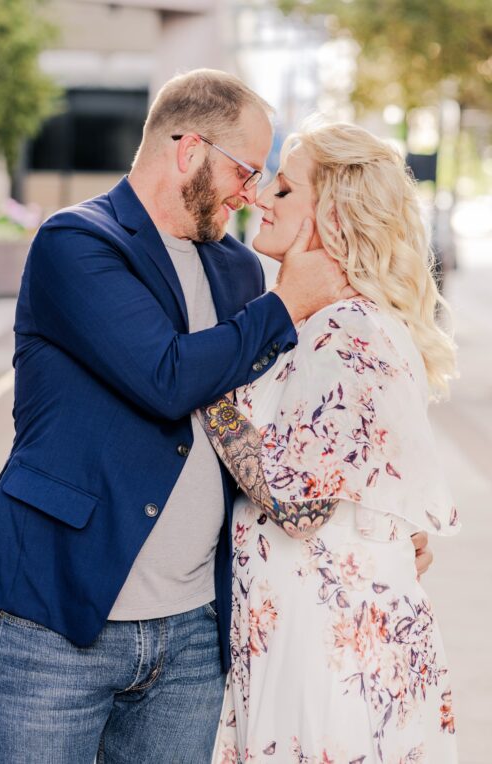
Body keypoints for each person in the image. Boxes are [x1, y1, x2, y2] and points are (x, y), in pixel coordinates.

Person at [0, 69, 432, 762]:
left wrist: (386, 517)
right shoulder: (76, 243)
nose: (252, 192)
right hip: (64, 611)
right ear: (189, 150)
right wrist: (285, 307)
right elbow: (165, 378)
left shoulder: (238, 271)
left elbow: (308, 421)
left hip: (195, 630)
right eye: (247, 169)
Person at [206, 121, 459, 763]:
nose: (261, 197)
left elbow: (298, 502)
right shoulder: (326, 323)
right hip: (313, 631)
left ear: (333, 214)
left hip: (327, 650)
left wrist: (205, 386)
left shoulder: (347, 331)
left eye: (285, 189)